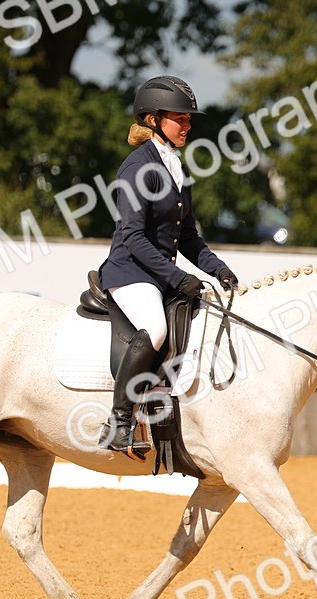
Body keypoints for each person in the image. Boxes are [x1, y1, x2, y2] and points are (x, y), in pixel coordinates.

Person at [97, 75, 239, 456]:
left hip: (157, 275)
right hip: (130, 272)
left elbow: (188, 237)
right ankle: (119, 423)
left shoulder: (175, 167)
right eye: (181, 119)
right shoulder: (136, 167)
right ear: (153, 119)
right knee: (156, 328)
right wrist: (177, 277)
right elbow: (132, 236)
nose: (188, 125)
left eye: (189, 119)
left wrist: (218, 269)